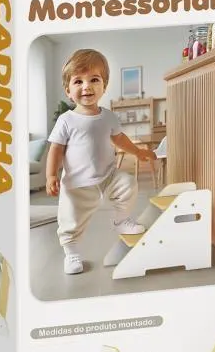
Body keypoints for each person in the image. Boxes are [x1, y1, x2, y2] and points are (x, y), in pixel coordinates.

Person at [46, 49, 155, 275]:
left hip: (108, 176)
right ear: (68, 90)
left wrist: (138, 152)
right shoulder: (66, 120)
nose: (86, 86)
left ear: (104, 86)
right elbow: (56, 149)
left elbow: (119, 139)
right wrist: (51, 175)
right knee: (70, 220)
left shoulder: (109, 117)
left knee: (128, 184)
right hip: (77, 185)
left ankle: (121, 220)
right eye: (78, 81)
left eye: (94, 80)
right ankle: (71, 253)